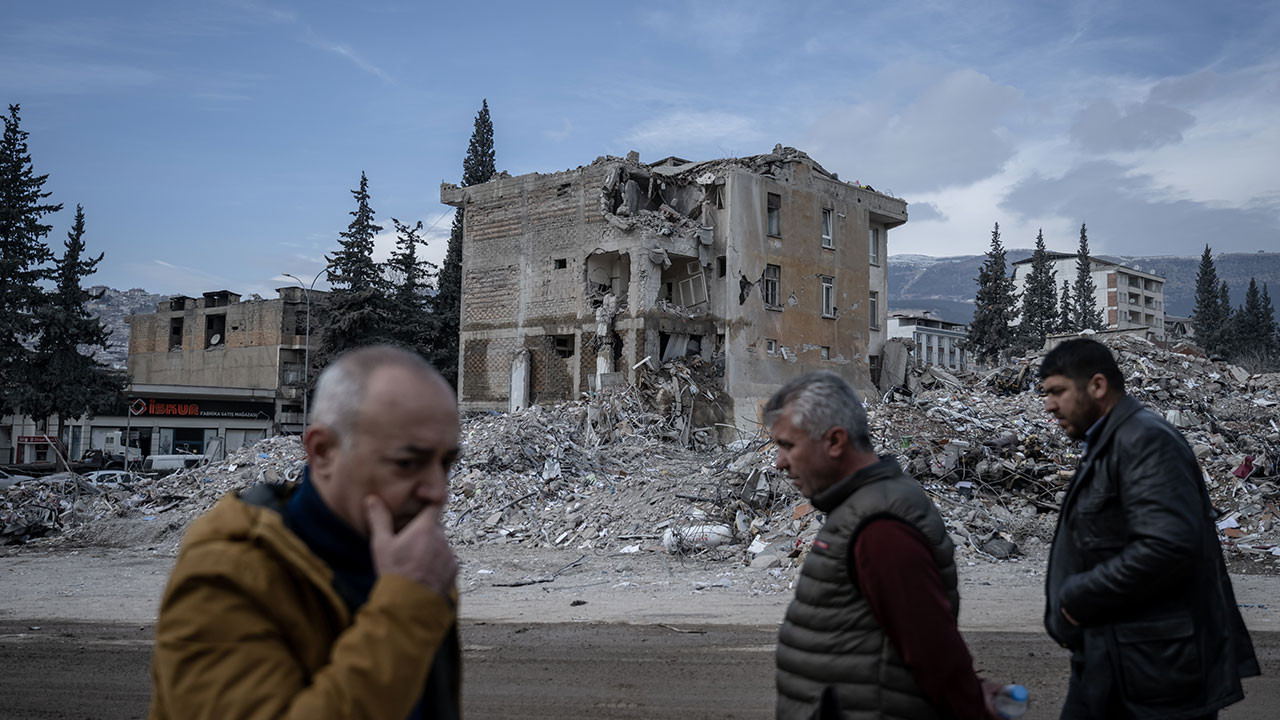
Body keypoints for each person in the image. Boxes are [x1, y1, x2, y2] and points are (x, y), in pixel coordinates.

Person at [148, 345, 462, 719]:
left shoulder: (413, 566)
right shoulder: (227, 575)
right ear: (323, 451)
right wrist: (405, 614)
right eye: (408, 463)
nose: (438, 491)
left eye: (446, 464)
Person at [1041, 338, 1259, 719]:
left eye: (1057, 392)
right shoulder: (1111, 441)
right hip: (1123, 660)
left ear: (1097, 385)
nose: (1049, 405)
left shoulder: (1144, 441)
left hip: (1156, 675)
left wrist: (1078, 594)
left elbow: (1168, 547)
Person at [767, 371, 1001, 720]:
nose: (779, 463)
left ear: (834, 441)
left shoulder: (881, 527)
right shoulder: (861, 509)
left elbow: (932, 648)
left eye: (788, 446)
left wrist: (972, 706)